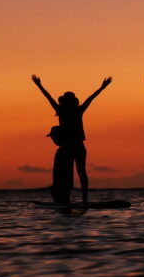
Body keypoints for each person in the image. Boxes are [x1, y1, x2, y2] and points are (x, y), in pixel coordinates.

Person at [31, 74, 112, 205]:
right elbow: (91, 98)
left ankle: (79, 199)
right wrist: (102, 87)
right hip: (76, 146)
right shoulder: (73, 110)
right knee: (78, 172)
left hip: (72, 146)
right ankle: (81, 199)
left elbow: (49, 97)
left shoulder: (66, 110)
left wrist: (39, 85)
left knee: (74, 172)